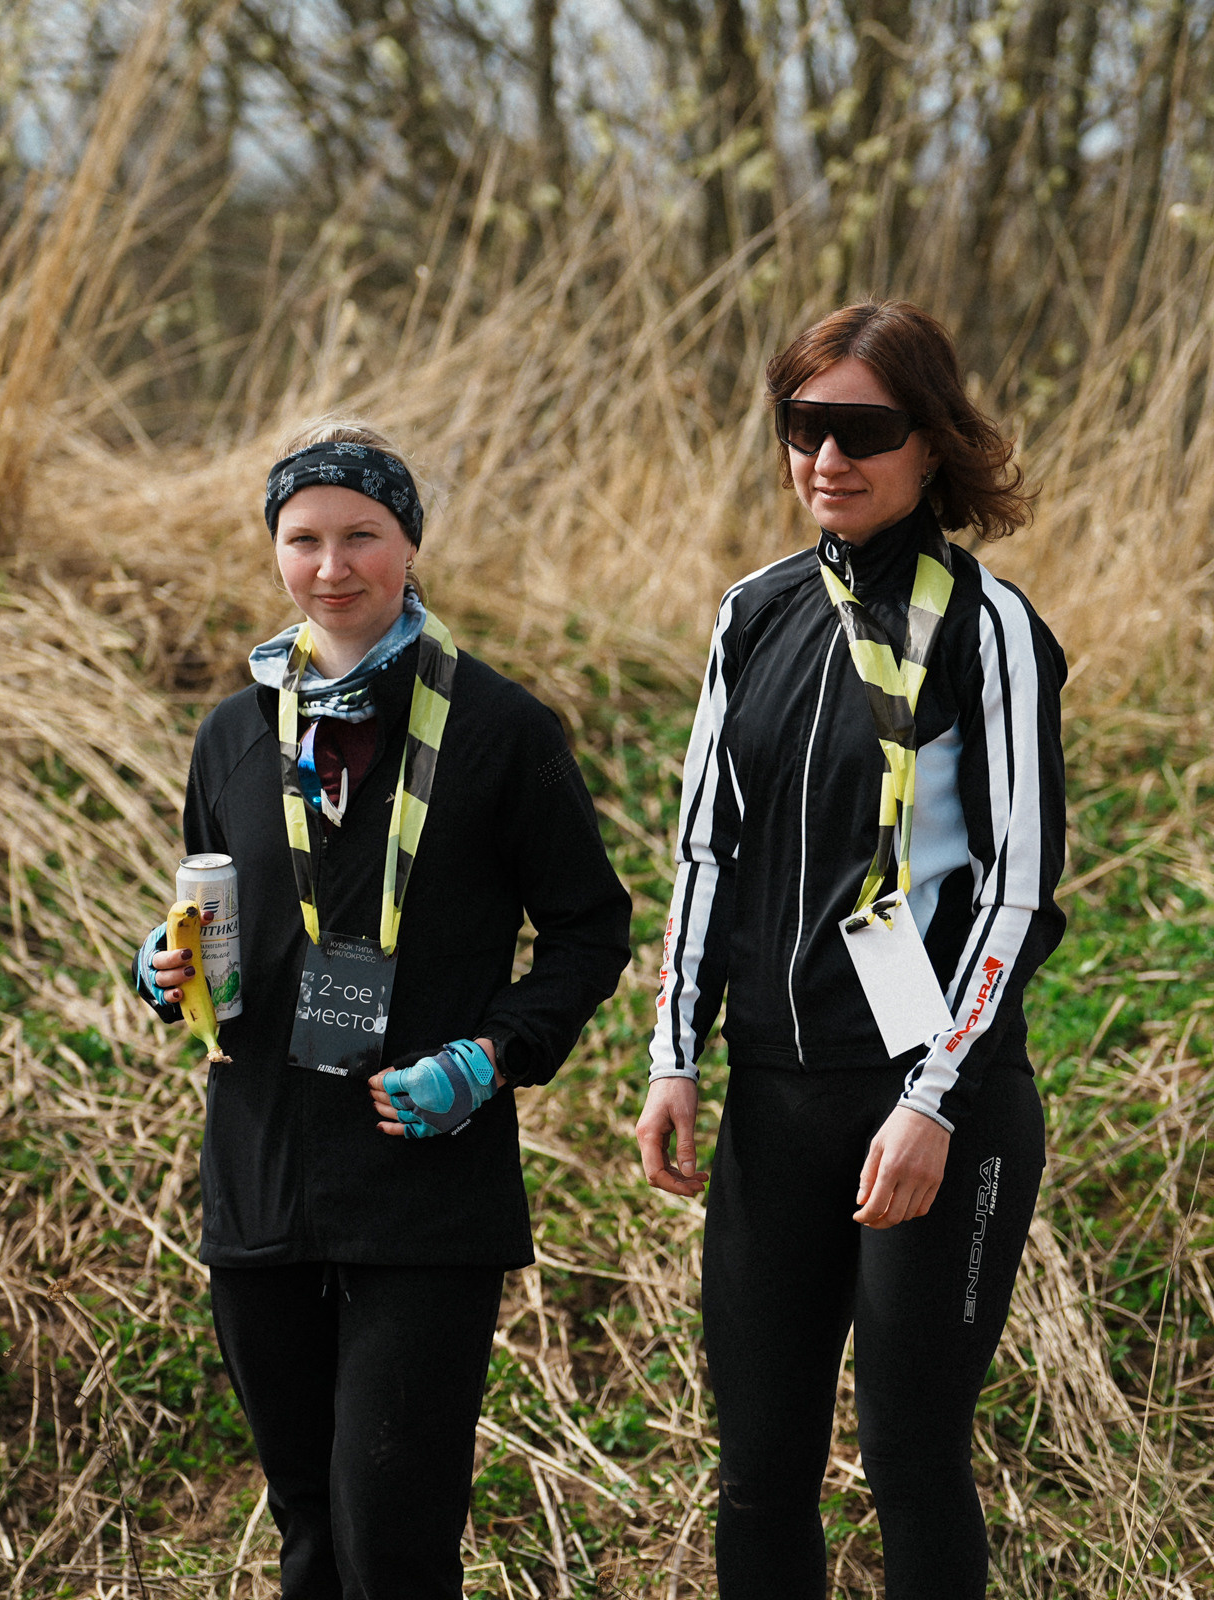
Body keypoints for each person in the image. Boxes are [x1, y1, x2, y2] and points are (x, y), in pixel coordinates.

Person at [132, 419, 631, 1600]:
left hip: (423, 1177)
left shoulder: (500, 729)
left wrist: (496, 1055)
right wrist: (167, 966)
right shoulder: (232, 732)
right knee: (307, 1528)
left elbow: (589, 929)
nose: (331, 566)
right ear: (274, 552)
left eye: (363, 535)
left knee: (391, 1538)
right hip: (261, 1175)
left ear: (411, 544)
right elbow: (221, 915)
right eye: (302, 539)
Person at [633, 302, 1066, 1596]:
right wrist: (675, 1056)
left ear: (932, 445)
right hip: (774, 1097)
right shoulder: (752, 615)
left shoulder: (990, 632)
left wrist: (935, 1100)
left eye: (862, 430)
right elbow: (711, 845)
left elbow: (1021, 889)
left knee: (910, 1457)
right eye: (802, 426)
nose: (827, 457)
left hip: (935, 1105)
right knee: (759, 1470)